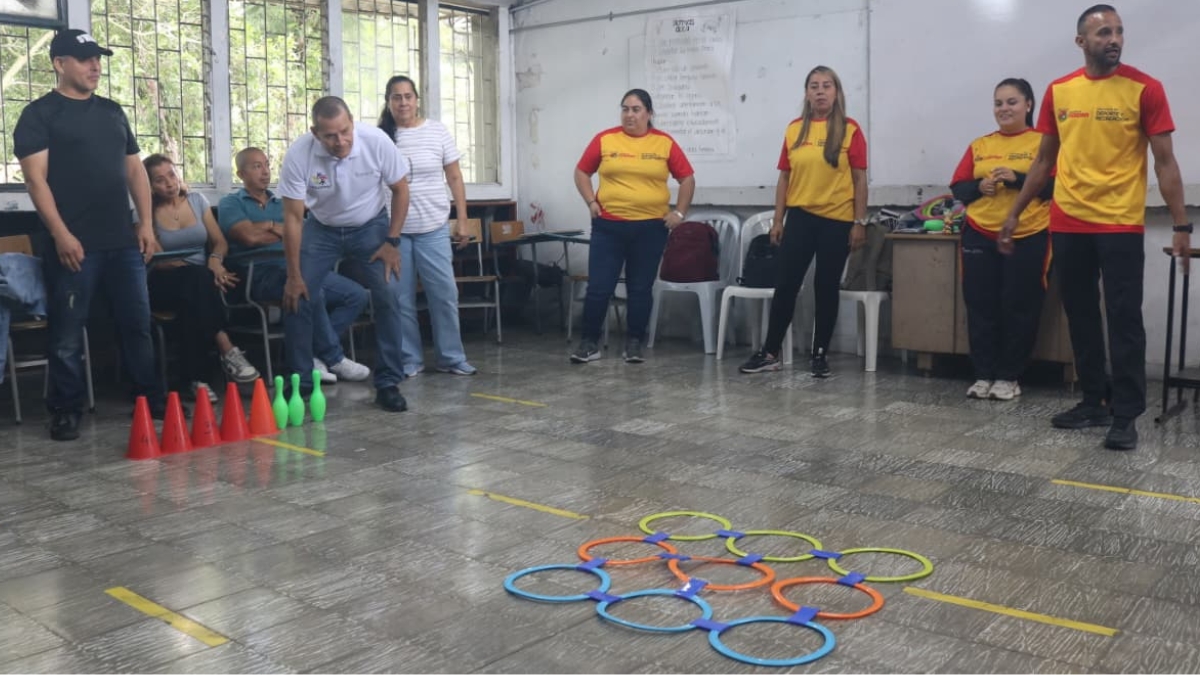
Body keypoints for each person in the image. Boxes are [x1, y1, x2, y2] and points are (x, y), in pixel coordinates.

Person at [1000, 4, 1191, 451]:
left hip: (1120, 223)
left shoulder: (1145, 89)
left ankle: (1125, 414)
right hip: (1068, 222)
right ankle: (1093, 401)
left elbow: (1165, 163)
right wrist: (1015, 212)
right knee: (1081, 315)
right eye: (1104, 32)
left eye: (1119, 32)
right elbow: (1043, 160)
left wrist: (1181, 224)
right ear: (1081, 41)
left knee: (1124, 319)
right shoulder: (1060, 91)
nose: (1115, 39)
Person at [13, 29, 165, 441]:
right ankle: (65, 408)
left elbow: (135, 170)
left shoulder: (113, 112)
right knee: (66, 332)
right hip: (75, 245)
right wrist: (61, 234)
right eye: (84, 59)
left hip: (123, 241)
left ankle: (147, 398)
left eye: (97, 58)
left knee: (137, 324)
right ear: (59, 64)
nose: (95, 65)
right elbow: (35, 181)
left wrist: (146, 224)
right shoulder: (40, 114)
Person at [277, 96, 412, 412]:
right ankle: (302, 384)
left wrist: (392, 242)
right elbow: (294, 219)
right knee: (297, 296)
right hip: (321, 228)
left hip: (370, 227)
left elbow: (401, 189)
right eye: (330, 136)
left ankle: (388, 382)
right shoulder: (299, 155)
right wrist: (294, 275)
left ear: (352, 121)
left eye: (345, 131)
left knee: (389, 294)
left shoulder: (375, 141)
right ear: (315, 133)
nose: (340, 141)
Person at [740, 65, 868, 377]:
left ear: (836, 92)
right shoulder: (794, 129)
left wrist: (859, 222)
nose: (820, 91)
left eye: (827, 86)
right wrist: (778, 219)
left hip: (836, 221)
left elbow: (860, 179)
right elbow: (784, 178)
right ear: (807, 93)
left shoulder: (850, 130)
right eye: (814, 86)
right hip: (799, 219)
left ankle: (820, 354)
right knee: (786, 285)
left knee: (825, 287)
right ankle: (770, 352)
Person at [218, 147, 371, 385]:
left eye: (267, 165)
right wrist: (279, 227)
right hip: (258, 273)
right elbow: (248, 237)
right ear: (241, 173)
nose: (265, 171)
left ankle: (316, 354)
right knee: (307, 290)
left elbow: (306, 233)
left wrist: (271, 228)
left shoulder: (284, 202)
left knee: (356, 295)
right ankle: (332, 357)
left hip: (295, 265)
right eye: (257, 166)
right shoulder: (231, 203)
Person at [572, 88, 695, 364]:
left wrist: (680, 213)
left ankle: (634, 343)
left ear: (649, 114)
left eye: (636, 109)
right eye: (625, 108)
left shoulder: (664, 143)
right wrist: (591, 201)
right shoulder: (605, 139)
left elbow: (687, 178)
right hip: (609, 227)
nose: (629, 114)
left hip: (650, 229)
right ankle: (589, 343)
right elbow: (581, 171)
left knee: (640, 288)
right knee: (599, 287)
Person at [950, 78, 1054, 402]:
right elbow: (958, 188)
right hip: (979, 232)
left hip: (1029, 234)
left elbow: (1057, 188)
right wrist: (979, 187)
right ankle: (983, 375)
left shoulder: (1044, 142)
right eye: (998, 103)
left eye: (1011, 102)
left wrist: (1018, 179)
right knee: (980, 305)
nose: (1004, 109)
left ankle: (1009, 376)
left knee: (1019, 306)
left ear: (1029, 105)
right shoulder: (980, 145)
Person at [378, 75, 477, 377]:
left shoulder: (437, 131)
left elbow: (455, 177)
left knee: (444, 294)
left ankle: (451, 358)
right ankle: (410, 360)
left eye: (408, 96)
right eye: (397, 97)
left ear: (417, 99)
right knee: (401, 299)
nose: (403, 102)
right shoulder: (380, 137)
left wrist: (461, 219)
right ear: (389, 102)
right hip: (396, 233)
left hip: (433, 227)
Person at [143, 154, 260, 401]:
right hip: (163, 281)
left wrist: (215, 261)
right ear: (149, 185)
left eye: (172, 175)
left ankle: (196, 380)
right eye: (160, 180)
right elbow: (159, 259)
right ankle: (227, 349)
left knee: (193, 302)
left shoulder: (197, 200)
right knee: (195, 283)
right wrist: (205, 272)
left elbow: (218, 241)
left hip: (201, 282)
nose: (169, 183)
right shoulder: (145, 212)